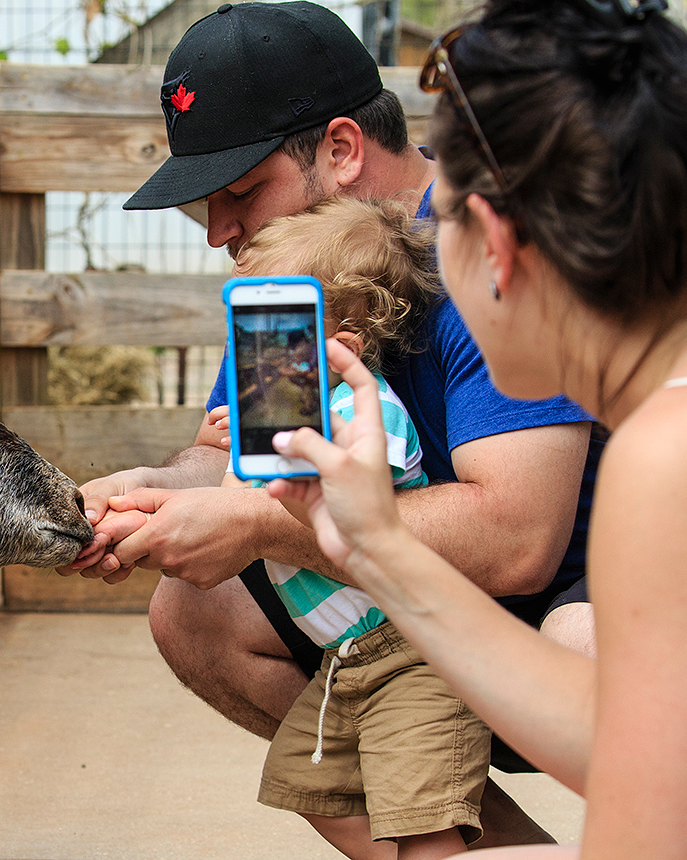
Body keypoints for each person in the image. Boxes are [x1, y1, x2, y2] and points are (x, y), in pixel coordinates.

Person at [58, 1, 601, 850]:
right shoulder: (297, 273)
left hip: (552, 602)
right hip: (403, 623)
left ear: (343, 149)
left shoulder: (497, 249)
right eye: (206, 206)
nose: (220, 234)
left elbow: (520, 537)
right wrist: (150, 494)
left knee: (591, 642)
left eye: (241, 193)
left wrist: (254, 521)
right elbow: (244, 456)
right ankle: (496, 848)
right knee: (191, 614)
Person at [265, 1, 687, 857]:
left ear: (495, 245)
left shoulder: (681, 458)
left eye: (436, 223)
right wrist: (378, 547)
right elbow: (631, 747)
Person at [241, 198, 493, 859]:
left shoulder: (366, 409)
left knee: (423, 824)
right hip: (345, 662)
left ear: (344, 345)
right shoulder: (279, 412)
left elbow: (368, 484)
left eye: (283, 329)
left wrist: (295, 459)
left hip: (414, 655)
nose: (260, 350)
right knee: (306, 783)